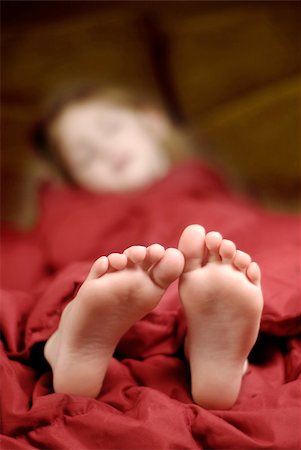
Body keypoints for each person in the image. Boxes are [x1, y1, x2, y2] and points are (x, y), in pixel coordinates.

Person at [34, 85, 263, 409]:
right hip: (114, 262)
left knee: (256, 262)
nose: (104, 149)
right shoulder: (73, 214)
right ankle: (67, 331)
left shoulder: (211, 188)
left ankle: (214, 344)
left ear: (153, 121)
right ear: (76, 181)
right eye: (85, 156)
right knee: (85, 276)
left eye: (110, 128)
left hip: (198, 255)